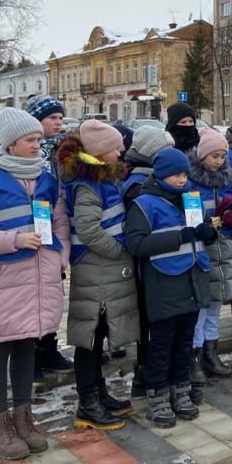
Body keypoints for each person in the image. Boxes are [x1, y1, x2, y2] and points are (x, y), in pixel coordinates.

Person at [0, 108, 71, 459]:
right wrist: (14, 240)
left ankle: (24, 419)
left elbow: (61, 224)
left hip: (39, 280)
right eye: (31, 140)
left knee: (26, 348)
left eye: (40, 139)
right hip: (4, 282)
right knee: (0, 349)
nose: (39, 145)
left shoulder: (48, 181)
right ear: (10, 144)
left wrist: (59, 258)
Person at [125, 148, 214, 427]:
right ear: (162, 175)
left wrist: (209, 233)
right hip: (164, 282)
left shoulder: (191, 198)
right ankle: (158, 396)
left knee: (185, 341)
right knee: (162, 343)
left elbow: (204, 230)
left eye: (185, 174)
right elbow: (136, 244)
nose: (182, 179)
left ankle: (181, 388)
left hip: (193, 277)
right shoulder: (145, 203)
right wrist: (179, 237)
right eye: (177, 174)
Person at [59, 120, 138, 431]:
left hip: (104, 270)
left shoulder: (104, 179)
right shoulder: (87, 186)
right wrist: (119, 251)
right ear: (99, 153)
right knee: (90, 338)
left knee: (101, 333)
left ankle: (99, 393)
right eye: (115, 148)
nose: (121, 152)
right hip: (95, 268)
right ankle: (87, 403)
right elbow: (90, 230)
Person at [120, 125, 175, 398]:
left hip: (164, 263)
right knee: (149, 324)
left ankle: (158, 376)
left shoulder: (158, 178)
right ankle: (147, 377)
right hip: (148, 265)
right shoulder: (138, 184)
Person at [24, 94, 74, 379]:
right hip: (32, 233)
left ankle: (48, 348)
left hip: (56, 229)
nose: (58, 123)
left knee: (53, 294)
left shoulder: (61, 151)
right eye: (52, 118)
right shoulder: (31, 154)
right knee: (33, 297)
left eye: (60, 118)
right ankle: (29, 355)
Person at [187, 128, 232, 382]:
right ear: (202, 155)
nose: (219, 161)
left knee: (216, 304)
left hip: (224, 247)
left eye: (222, 156)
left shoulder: (229, 179)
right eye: (214, 156)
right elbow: (189, 216)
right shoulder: (191, 182)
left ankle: (211, 351)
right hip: (202, 249)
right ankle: (194, 355)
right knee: (201, 305)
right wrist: (207, 221)